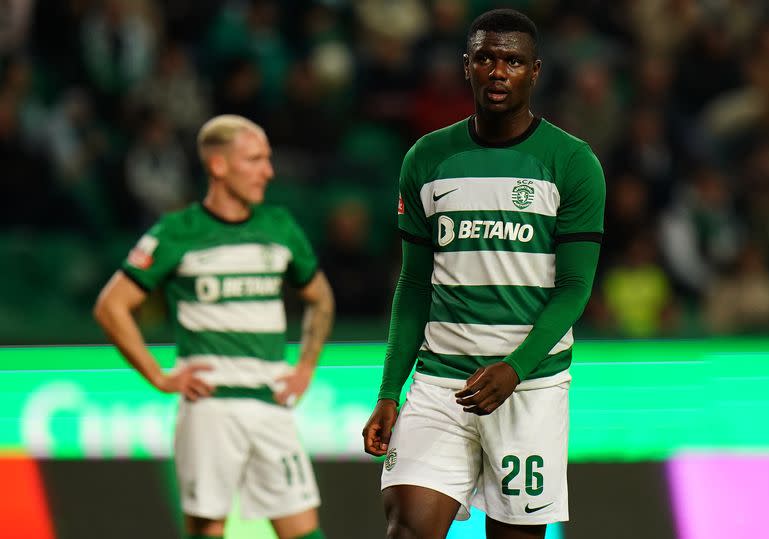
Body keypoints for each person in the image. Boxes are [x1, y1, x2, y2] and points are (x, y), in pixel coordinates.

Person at [362, 9, 605, 539]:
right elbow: (413, 286)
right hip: (440, 383)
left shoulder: (572, 162)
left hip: (529, 386)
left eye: (513, 61)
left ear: (535, 71)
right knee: (406, 530)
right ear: (466, 67)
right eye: (486, 58)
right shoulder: (426, 158)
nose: (498, 71)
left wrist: (514, 368)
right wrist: (388, 392)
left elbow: (575, 287)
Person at [94, 114, 334, 539]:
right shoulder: (177, 232)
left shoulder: (280, 227)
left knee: (304, 529)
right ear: (219, 165)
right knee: (208, 530)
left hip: (270, 399)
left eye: (268, 159)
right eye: (255, 159)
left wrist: (306, 366)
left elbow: (321, 297)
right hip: (210, 405)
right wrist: (158, 375)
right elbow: (111, 306)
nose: (268, 171)